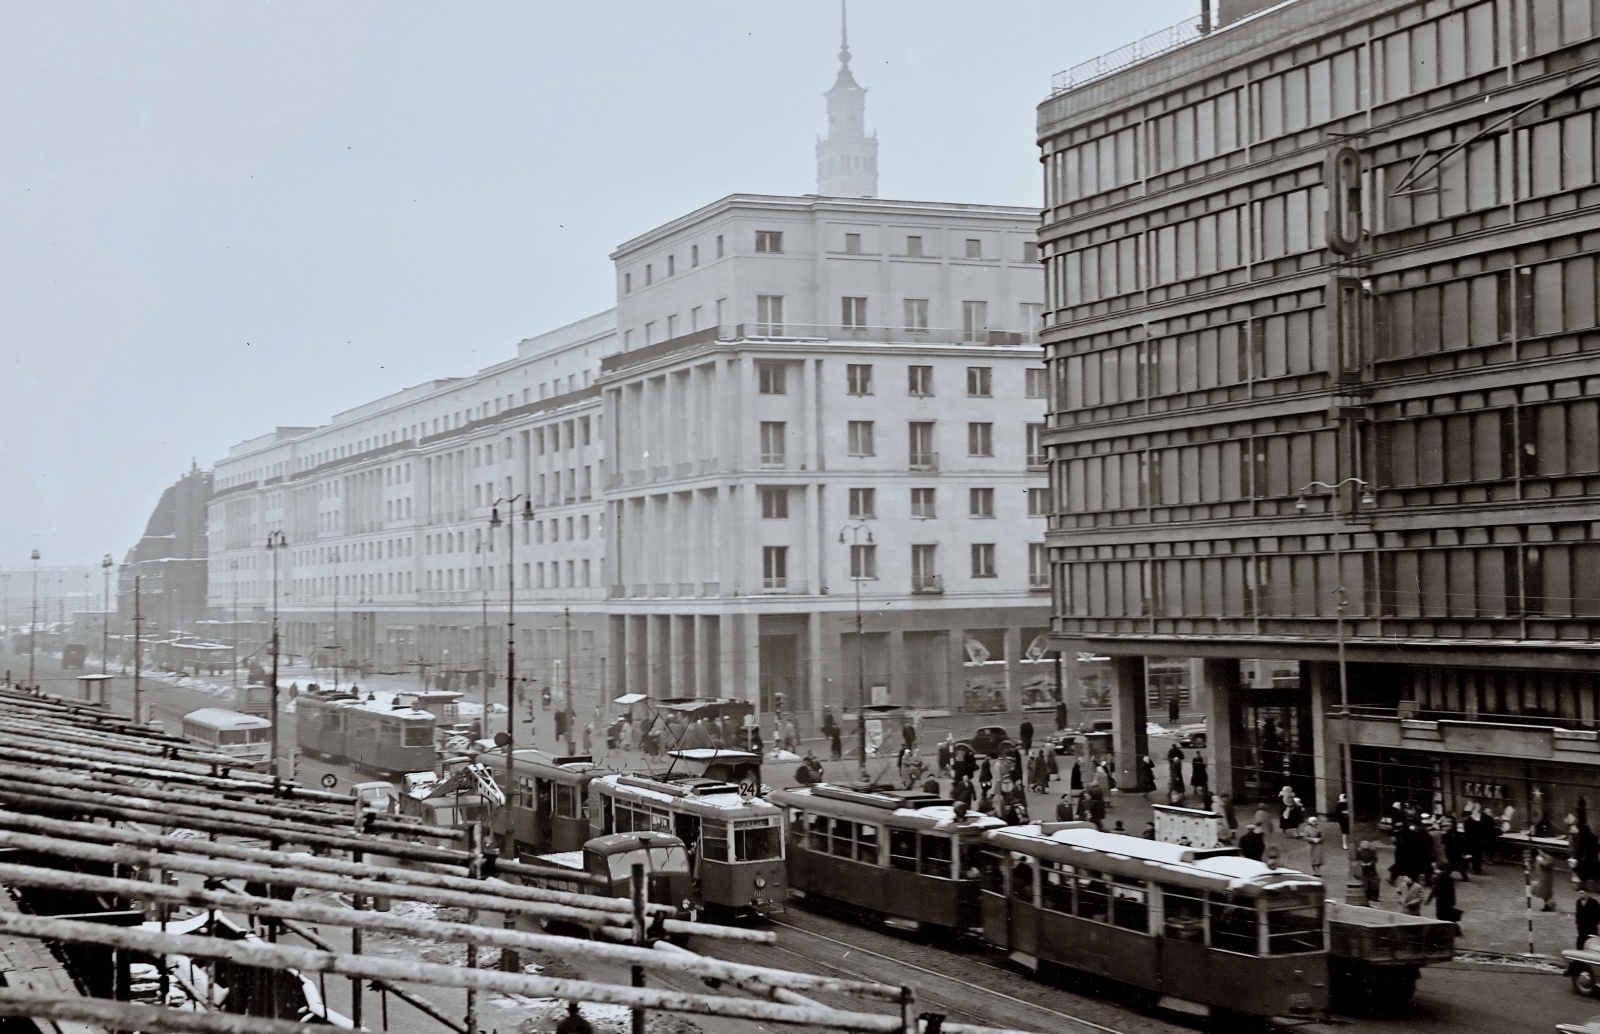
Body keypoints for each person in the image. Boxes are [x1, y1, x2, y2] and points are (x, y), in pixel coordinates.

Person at [1535, 847, 1558, 912]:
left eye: (1540, 851)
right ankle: (1548, 905)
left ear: (1543, 851)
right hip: (1543, 878)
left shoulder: (1548, 858)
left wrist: (1540, 861)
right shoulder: (1544, 858)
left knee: (1545, 893)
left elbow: (1546, 866)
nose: (1539, 853)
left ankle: (1550, 905)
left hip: (1546, 879)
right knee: (1545, 893)